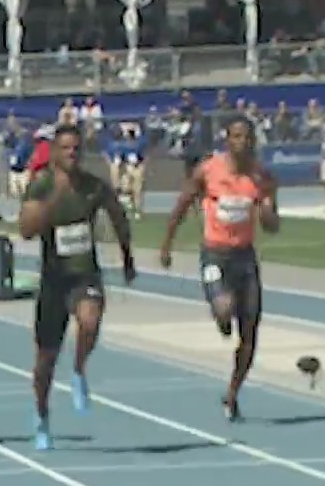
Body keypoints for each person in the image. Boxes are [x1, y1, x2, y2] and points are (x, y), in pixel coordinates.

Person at [18, 123, 135, 451]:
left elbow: (118, 217)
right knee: (44, 361)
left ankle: (80, 369)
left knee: (90, 320)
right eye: (65, 148)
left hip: (84, 275)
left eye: (76, 149)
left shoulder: (92, 187)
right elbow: (26, 229)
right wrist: (53, 199)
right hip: (54, 280)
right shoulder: (40, 186)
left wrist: (128, 258)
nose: (71, 154)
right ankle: (41, 416)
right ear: (54, 153)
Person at [158, 117, 279, 422]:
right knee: (225, 310)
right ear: (228, 140)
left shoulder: (261, 177)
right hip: (215, 255)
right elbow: (182, 205)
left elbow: (273, 226)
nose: (243, 143)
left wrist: (266, 212)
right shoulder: (208, 170)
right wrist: (166, 244)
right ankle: (221, 314)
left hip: (244, 258)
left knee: (250, 334)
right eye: (237, 136)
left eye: (248, 137)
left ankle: (232, 393)